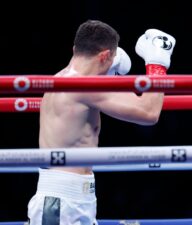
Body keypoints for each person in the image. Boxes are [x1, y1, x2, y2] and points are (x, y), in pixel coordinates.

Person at [27, 20, 176, 225]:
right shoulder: (83, 86)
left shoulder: (63, 78)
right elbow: (149, 112)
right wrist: (157, 64)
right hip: (62, 200)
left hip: (74, 196)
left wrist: (106, 71)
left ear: (75, 49)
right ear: (105, 56)